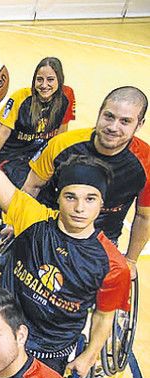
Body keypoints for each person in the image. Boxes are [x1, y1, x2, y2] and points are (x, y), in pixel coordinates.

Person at [0, 112, 130, 377]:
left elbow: (104, 315)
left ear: (101, 204)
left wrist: (88, 356)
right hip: (0, 330)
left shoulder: (113, 264)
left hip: (48, 350)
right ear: (58, 197)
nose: (79, 208)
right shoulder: (32, 217)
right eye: (70, 197)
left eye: (90, 199)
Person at [22, 86, 149, 278]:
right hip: (49, 226)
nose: (113, 127)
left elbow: (144, 217)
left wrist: (130, 261)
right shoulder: (62, 144)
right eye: (109, 116)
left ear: (139, 125)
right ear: (99, 113)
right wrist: (15, 224)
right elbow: (32, 186)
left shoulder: (146, 163)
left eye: (125, 121)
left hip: (100, 239)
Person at [0, 57, 76, 187]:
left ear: (60, 80)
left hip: (40, 152)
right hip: (13, 153)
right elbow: (4, 131)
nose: (44, 85)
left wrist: (57, 159)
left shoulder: (67, 95)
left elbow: (62, 133)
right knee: (27, 186)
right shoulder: (20, 97)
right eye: (39, 79)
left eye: (50, 79)